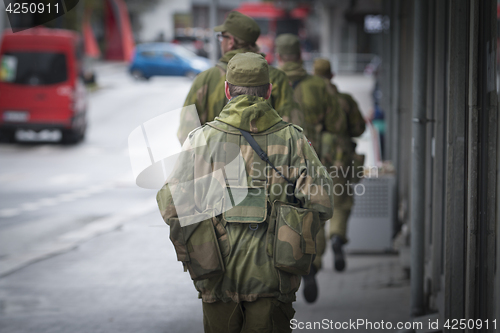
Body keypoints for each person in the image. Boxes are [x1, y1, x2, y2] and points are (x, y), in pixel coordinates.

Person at [157, 53, 334, 332]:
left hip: (216, 275)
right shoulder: (293, 139)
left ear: (227, 90)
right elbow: (322, 203)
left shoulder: (202, 139)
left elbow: (171, 207)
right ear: (269, 91)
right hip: (274, 277)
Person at [275, 33, 346, 303]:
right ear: (301, 55)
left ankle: (286, 268)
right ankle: (312, 265)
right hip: (316, 160)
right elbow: (338, 127)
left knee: (283, 214)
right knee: (314, 215)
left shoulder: (270, 82)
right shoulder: (320, 86)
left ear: (279, 56)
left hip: (278, 164)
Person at [177, 11, 302, 145]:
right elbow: (293, 128)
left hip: (218, 163)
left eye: (221, 37)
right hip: (266, 163)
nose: (221, 42)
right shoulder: (277, 77)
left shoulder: (205, 78)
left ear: (231, 41)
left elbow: (186, 134)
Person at [313, 58, 366, 273]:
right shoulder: (345, 100)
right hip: (341, 158)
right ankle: (336, 237)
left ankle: (315, 261)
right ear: (332, 75)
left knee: (315, 207)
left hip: (315, 157)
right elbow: (359, 128)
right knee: (341, 202)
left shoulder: (310, 101)